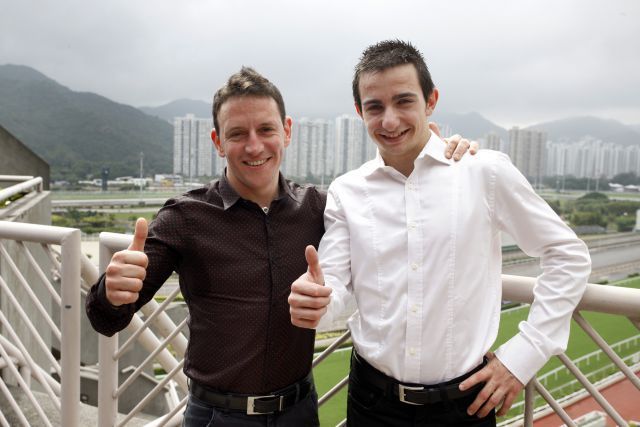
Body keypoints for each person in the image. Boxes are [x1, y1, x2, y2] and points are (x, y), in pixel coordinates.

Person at [85, 66, 477, 426]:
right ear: (218, 142)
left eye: (266, 130)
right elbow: (107, 319)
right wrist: (113, 290)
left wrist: (438, 152)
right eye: (237, 134)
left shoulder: (320, 208)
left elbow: (400, 223)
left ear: (287, 130)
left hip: (300, 412)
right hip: (218, 417)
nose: (254, 147)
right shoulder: (186, 217)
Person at [288, 40, 592, 427]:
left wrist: (523, 356)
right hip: (372, 403)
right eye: (375, 107)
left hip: (466, 404)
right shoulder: (348, 190)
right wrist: (316, 298)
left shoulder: (483, 172)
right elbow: (337, 288)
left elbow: (568, 255)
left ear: (431, 100)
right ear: (359, 111)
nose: (390, 120)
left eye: (404, 101)